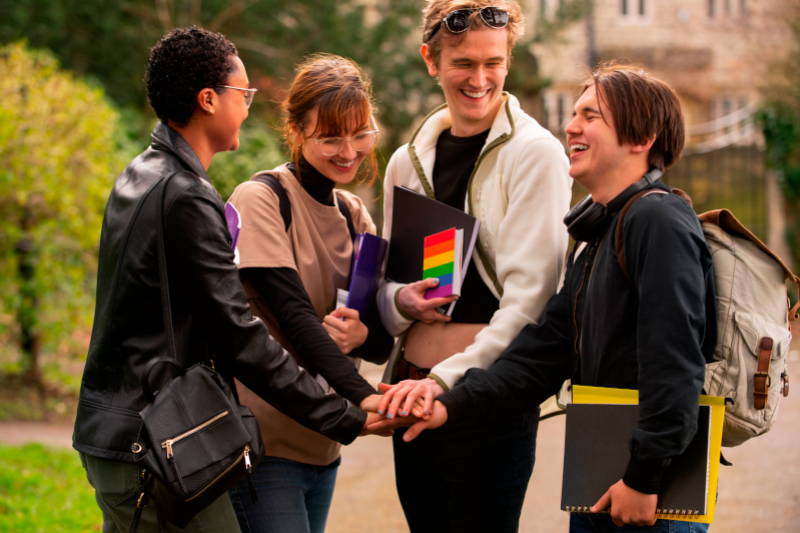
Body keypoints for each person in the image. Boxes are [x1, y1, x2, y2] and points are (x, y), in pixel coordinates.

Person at [73, 27, 386, 533]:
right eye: (243, 95)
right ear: (209, 99)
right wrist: (348, 413)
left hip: (119, 431)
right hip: (154, 443)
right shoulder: (187, 195)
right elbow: (241, 336)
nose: (246, 107)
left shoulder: (141, 174)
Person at [402, 63, 717, 533]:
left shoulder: (658, 221)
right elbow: (542, 354)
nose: (571, 126)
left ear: (642, 137)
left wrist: (645, 476)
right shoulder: (599, 235)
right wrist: (451, 400)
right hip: (601, 482)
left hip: (647, 498)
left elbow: (675, 364)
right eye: (574, 113)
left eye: (590, 116)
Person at [373, 1, 573, 530]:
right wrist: (398, 302)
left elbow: (531, 305)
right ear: (431, 61)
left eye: (493, 62)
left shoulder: (537, 154)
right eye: (463, 62)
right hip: (410, 393)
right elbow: (389, 288)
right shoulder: (407, 159)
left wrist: (443, 381)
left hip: (484, 402)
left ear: (509, 60)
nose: (479, 78)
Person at [224, 54, 394, 533]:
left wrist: (364, 333)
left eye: (361, 134)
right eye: (330, 138)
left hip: (325, 444)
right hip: (266, 445)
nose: (349, 151)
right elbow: (295, 318)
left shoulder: (355, 214)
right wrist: (365, 399)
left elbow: (380, 342)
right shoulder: (262, 199)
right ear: (296, 131)